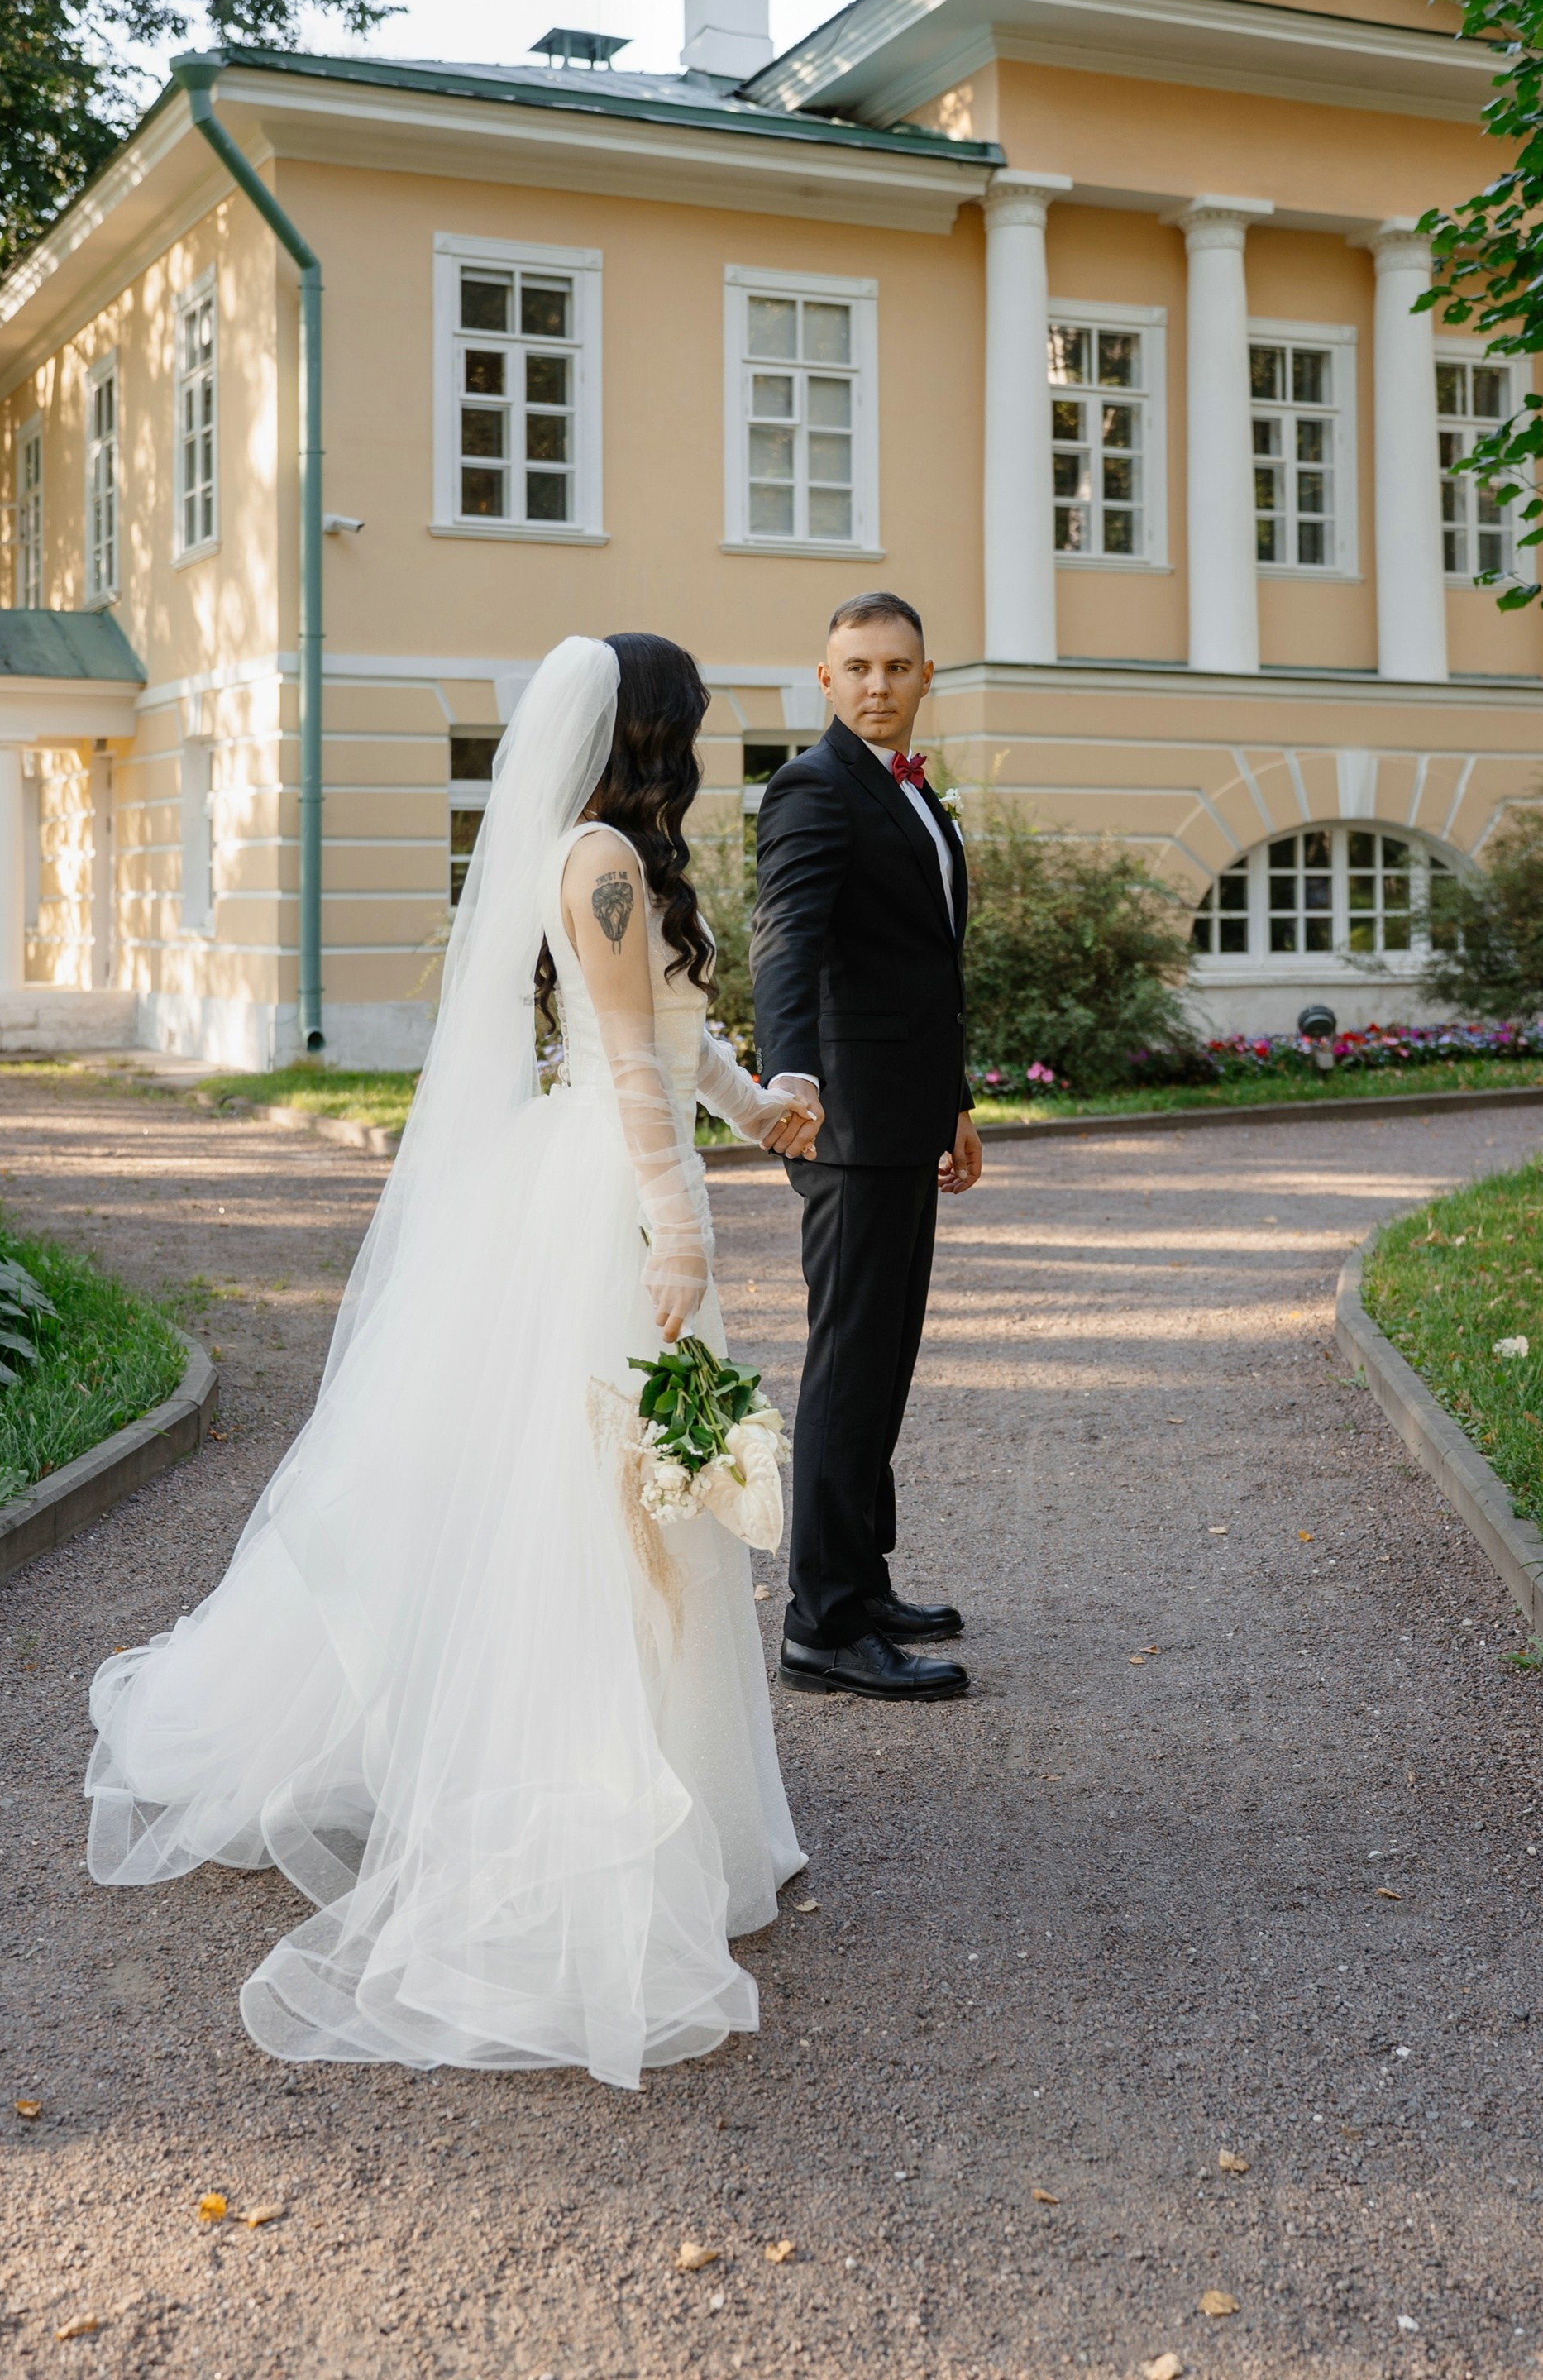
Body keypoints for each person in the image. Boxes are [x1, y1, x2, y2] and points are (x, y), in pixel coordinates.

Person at [85, 633, 813, 2089]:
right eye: (696, 726)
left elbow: (673, 1036)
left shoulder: (628, 859)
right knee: (607, 1502)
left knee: (650, 1497)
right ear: (653, 731)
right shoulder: (596, 860)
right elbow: (616, 1063)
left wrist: (759, 1105)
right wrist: (678, 1228)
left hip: (630, 1178)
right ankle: (576, 1802)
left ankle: (687, 1799)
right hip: (610, 1209)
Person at [750, 590, 981, 1703]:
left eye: (897, 667)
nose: (878, 685)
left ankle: (862, 1577)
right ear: (826, 677)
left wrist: (956, 1100)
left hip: (906, 1115)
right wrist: (789, 1079)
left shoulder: (911, 790)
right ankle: (821, 1625)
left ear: (925, 675)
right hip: (844, 1125)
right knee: (846, 1366)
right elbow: (788, 947)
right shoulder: (811, 787)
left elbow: (922, 966)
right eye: (858, 667)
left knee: (883, 1359)